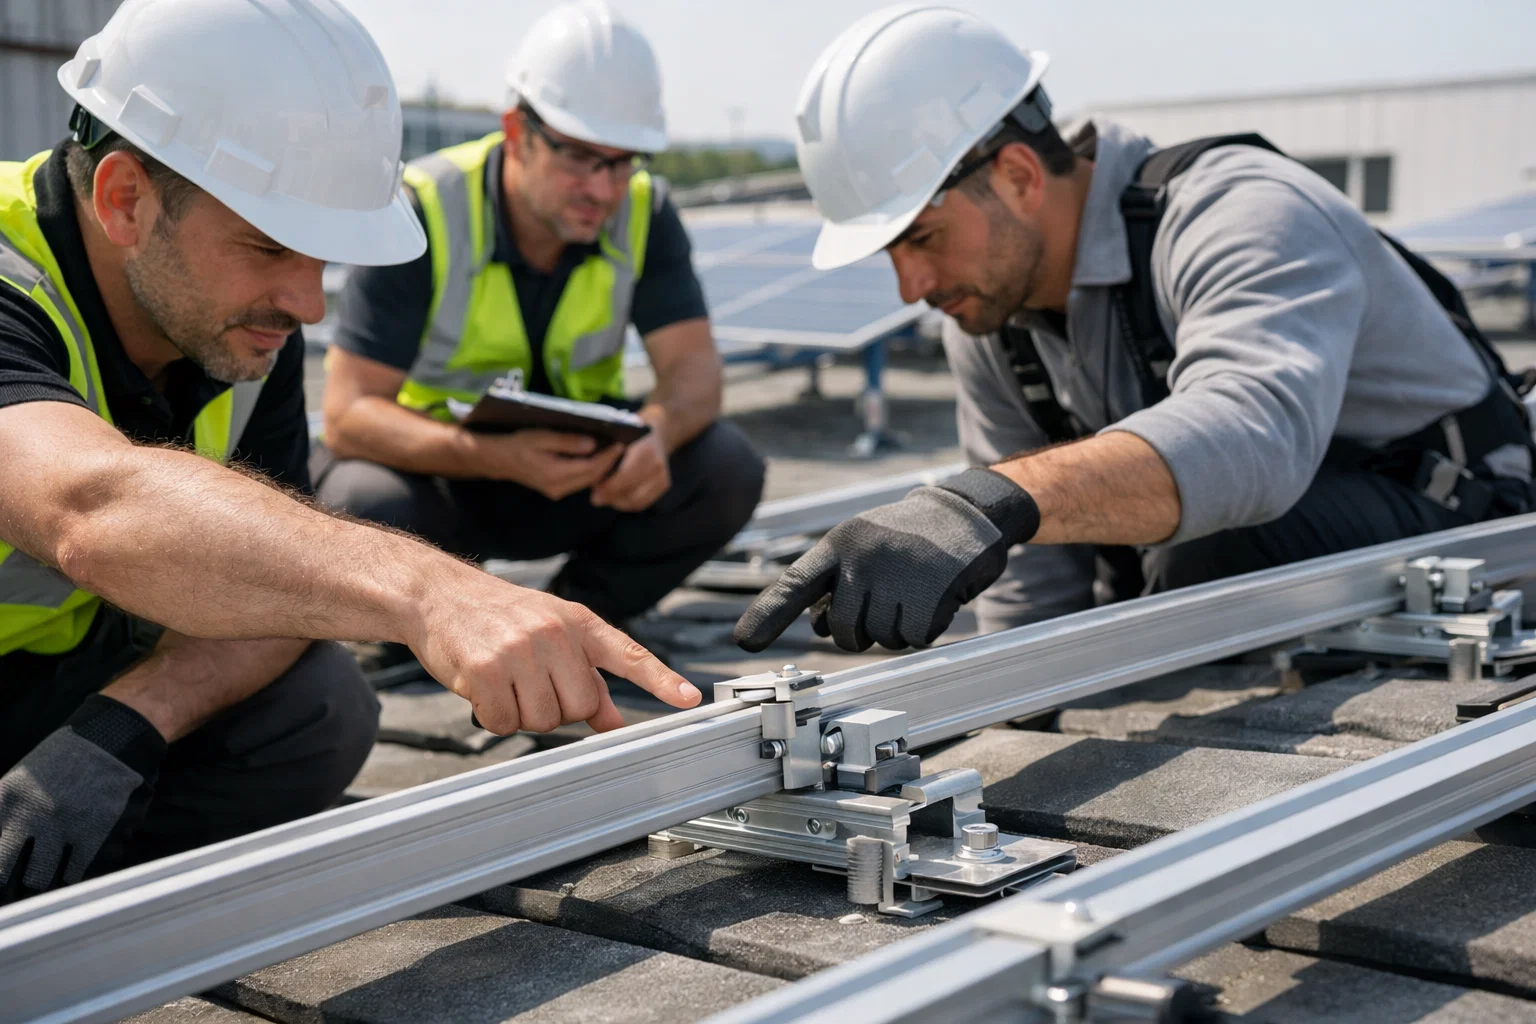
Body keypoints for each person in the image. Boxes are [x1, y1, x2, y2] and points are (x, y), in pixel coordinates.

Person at [0, 0, 697, 904]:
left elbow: (276, 600)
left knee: (319, 709)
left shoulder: (242, 319)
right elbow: (92, 508)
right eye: (270, 245)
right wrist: (433, 591)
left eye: (322, 256)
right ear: (125, 199)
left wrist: (123, 728)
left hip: (56, 674)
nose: (310, 303)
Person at [735, 4, 1534, 654]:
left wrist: (987, 500)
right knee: (1150, 574)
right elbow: (1030, 577)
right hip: (1266, 553)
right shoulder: (990, 320)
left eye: (922, 238)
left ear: (1017, 176)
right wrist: (996, 718)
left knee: (1204, 556)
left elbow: (1254, 436)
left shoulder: (1242, 211)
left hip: (1471, 528)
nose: (910, 286)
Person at [314, 1, 765, 630]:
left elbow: (695, 375)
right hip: (445, 477)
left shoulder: (645, 212)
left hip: (585, 474)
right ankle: (431, 624)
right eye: (580, 156)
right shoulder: (423, 207)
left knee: (725, 467)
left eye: (621, 160)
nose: (604, 190)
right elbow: (347, 416)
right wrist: (496, 457)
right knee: (359, 500)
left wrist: (655, 436)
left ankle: (581, 622)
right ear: (518, 131)